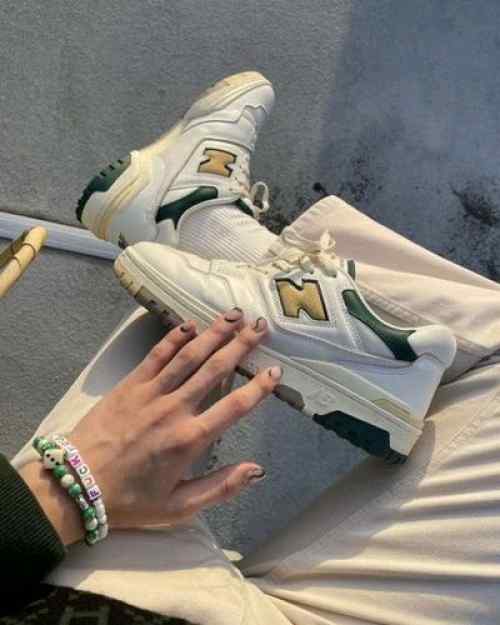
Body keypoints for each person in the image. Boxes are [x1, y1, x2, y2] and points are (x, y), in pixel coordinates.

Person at [3, 71, 500, 623]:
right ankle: (207, 232)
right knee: (201, 309)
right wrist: (62, 494)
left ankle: (205, 233)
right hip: (76, 550)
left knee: (198, 329)